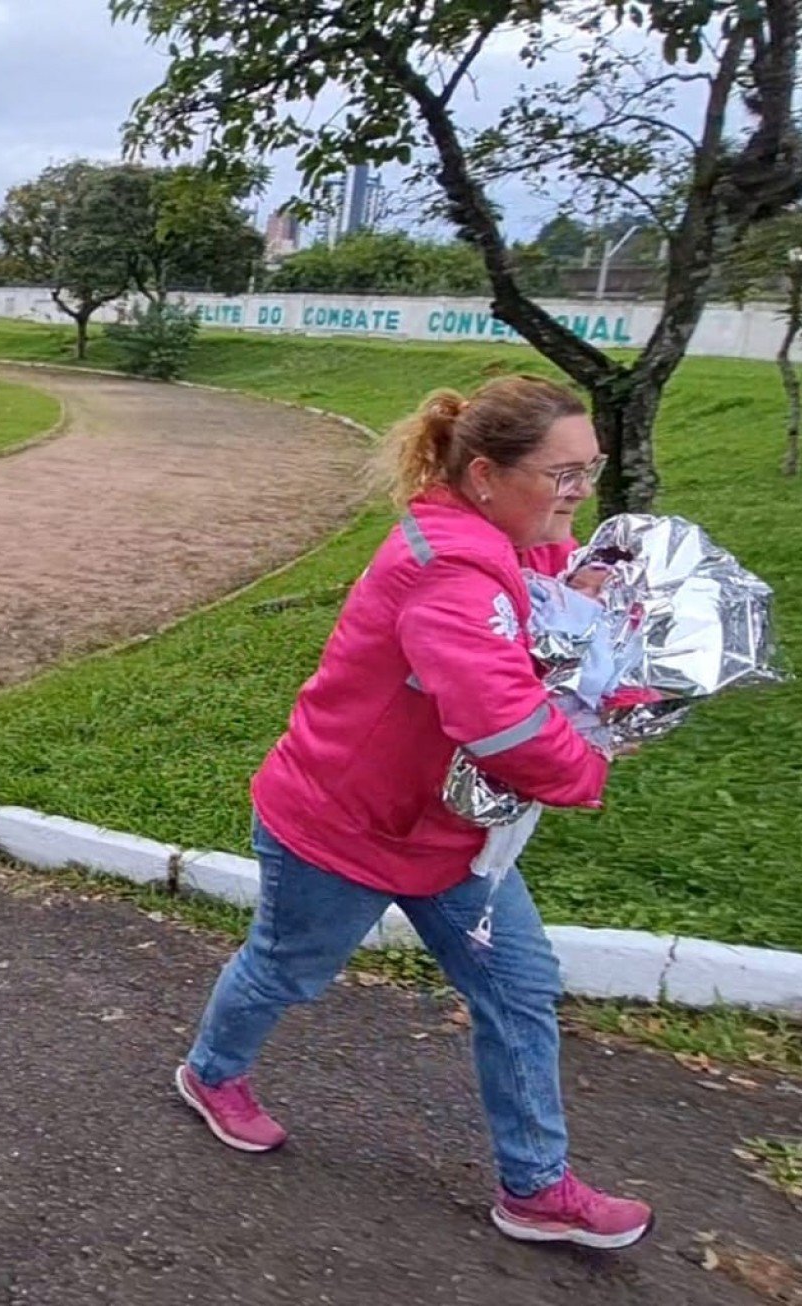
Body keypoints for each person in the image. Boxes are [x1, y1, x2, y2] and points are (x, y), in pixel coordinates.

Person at [173, 376, 654, 1250]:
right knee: (283, 970)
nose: (579, 493)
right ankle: (211, 1075)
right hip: (340, 829)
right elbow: (501, 720)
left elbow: (551, 622)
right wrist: (589, 768)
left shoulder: (511, 543)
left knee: (519, 989)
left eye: (592, 471)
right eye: (562, 476)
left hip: (450, 835)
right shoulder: (450, 575)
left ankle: (536, 1187)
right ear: (483, 476)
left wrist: (602, 617)